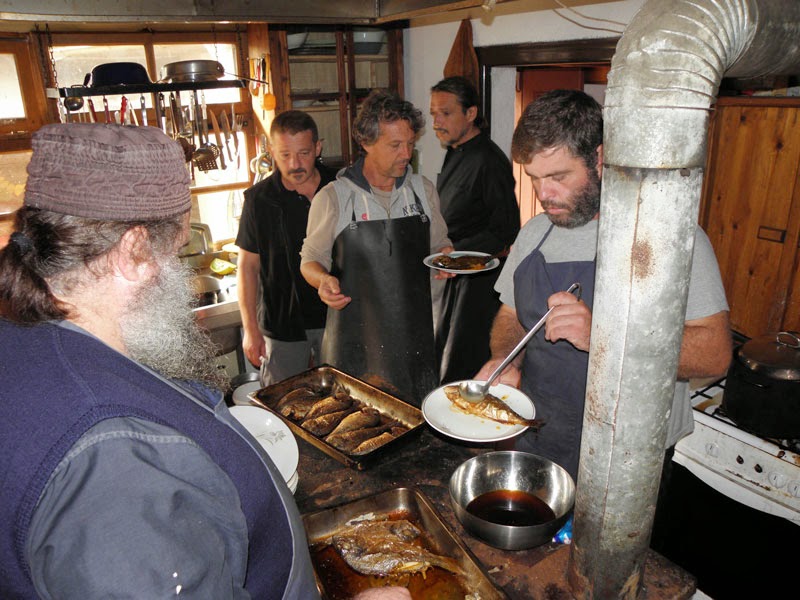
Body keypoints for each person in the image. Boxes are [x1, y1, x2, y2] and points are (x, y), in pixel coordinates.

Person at [0, 123, 409, 600]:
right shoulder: (109, 455)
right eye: (175, 253)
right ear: (133, 252)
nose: (179, 273)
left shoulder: (26, 335)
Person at [476, 90, 732, 479]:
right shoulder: (534, 233)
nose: (544, 195)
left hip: (626, 452)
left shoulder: (670, 236)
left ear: (599, 158)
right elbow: (511, 316)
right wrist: (506, 360)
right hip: (538, 431)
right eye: (534, 179)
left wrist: (603, 338)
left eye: (558, 177)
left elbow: (714, 354)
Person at [300, 89, 453, 406]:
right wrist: (322, 280)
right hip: (356, 344)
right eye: (395, 145)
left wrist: (446, 260)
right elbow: (310, 260)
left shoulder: (423, 191)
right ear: (366, 142)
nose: (406, 154)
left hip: (417, 340)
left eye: (410, 143)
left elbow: (440, 245)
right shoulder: (334, 197)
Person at [429, 76, 520, 383]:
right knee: (444, 358)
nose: (437, 123)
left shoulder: (489, 160)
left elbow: (506, 230)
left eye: (445, 113)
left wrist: (457, 252)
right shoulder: (455, 150)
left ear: (470, 113)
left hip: (479, 284)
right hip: (456, 273)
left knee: (466, 365)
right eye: (434, 114)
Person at [236, 110, 336, 386]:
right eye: (285, 155)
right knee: (282, 402)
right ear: (271, 151)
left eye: (304, 153)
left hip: (337, 319)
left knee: (344, 399)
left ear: (318, 148)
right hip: (282, 325)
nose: (295, 164)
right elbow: (247, 267)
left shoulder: (341, 186)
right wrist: (250, 329)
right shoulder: (259, 200)